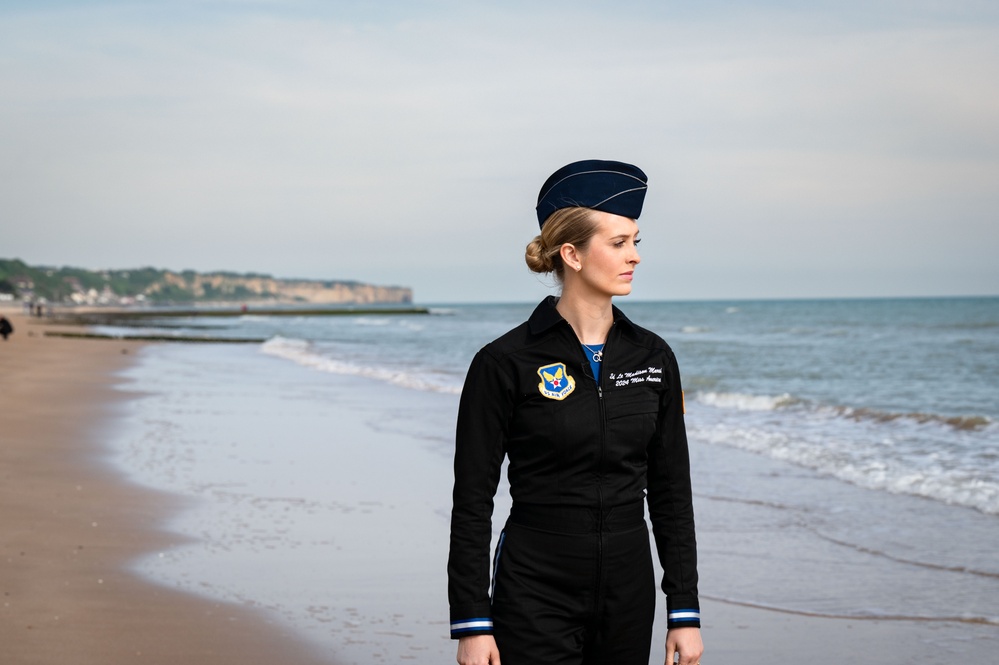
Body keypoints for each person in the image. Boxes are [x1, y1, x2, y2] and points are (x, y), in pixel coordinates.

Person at [448, 160, 703, 665]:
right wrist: (472, 621)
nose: (634, 256)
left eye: (635, 242)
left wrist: (684, 609)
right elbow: (472, 500)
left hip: (629, 591)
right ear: (572, 254)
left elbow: (672, 490)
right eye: (618, 243)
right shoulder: (503, 362)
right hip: (534, 588)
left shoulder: (653, 358)